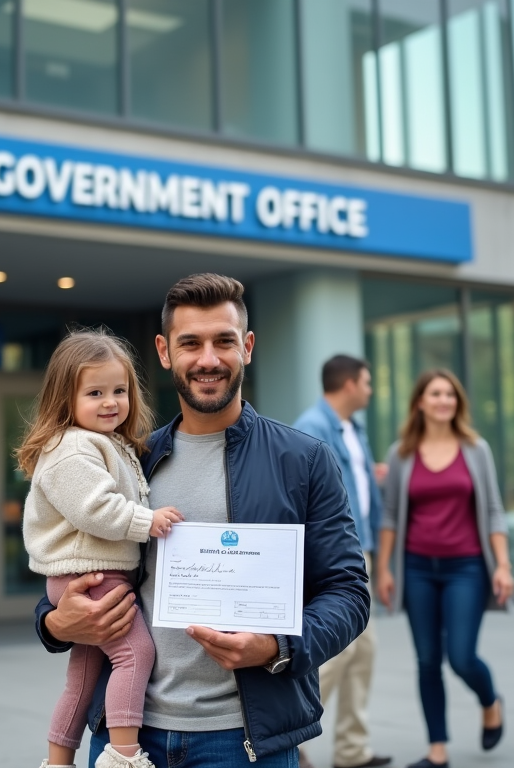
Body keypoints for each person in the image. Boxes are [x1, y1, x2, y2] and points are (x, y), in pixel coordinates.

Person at [34, 273, 371, 768]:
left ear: (248, 347)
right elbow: (72, 562)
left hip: (244, 741)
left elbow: (348, 592)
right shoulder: (129, 459)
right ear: (165, 351)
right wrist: (55, 624)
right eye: (190, 343)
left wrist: (277, 645)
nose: (208, 359)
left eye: (224, 342)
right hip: (125, 739)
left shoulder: (303, 460)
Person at [18, 329, 184, 768]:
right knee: (136, 653)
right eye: (95, 392)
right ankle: (124, 756)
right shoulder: (73, 447)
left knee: (84, 678)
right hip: (91, 576)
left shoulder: (108, 442)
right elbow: (95, 508)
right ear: (64, 398)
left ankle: (58, 761)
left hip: (87, 574)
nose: (110, 401)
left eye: (119, 390)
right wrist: (150, 521)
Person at [375, 369, 514, 768]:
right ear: (420, 402)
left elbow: (493, 510)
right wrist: (384, 569)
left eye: (449, 395)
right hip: (417, 567)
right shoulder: (402, 452)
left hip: (465, 567)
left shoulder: (476, 449)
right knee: (427, 660)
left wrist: (502, 565)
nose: (443, 401)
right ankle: (437, 749)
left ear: (457, 403)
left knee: (462, 656)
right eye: (435, 394)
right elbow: (389, 517)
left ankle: (490, 700)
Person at [293, 355, 391, 768]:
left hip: (360, 550)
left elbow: (366, 493)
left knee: (362, 653)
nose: (370, 390)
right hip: (330, 556)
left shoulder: (355, 429)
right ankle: (293, 732)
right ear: (349, 384)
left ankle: (352, 751)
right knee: (337, 652)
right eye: (366, 383)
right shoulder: (311, 429)